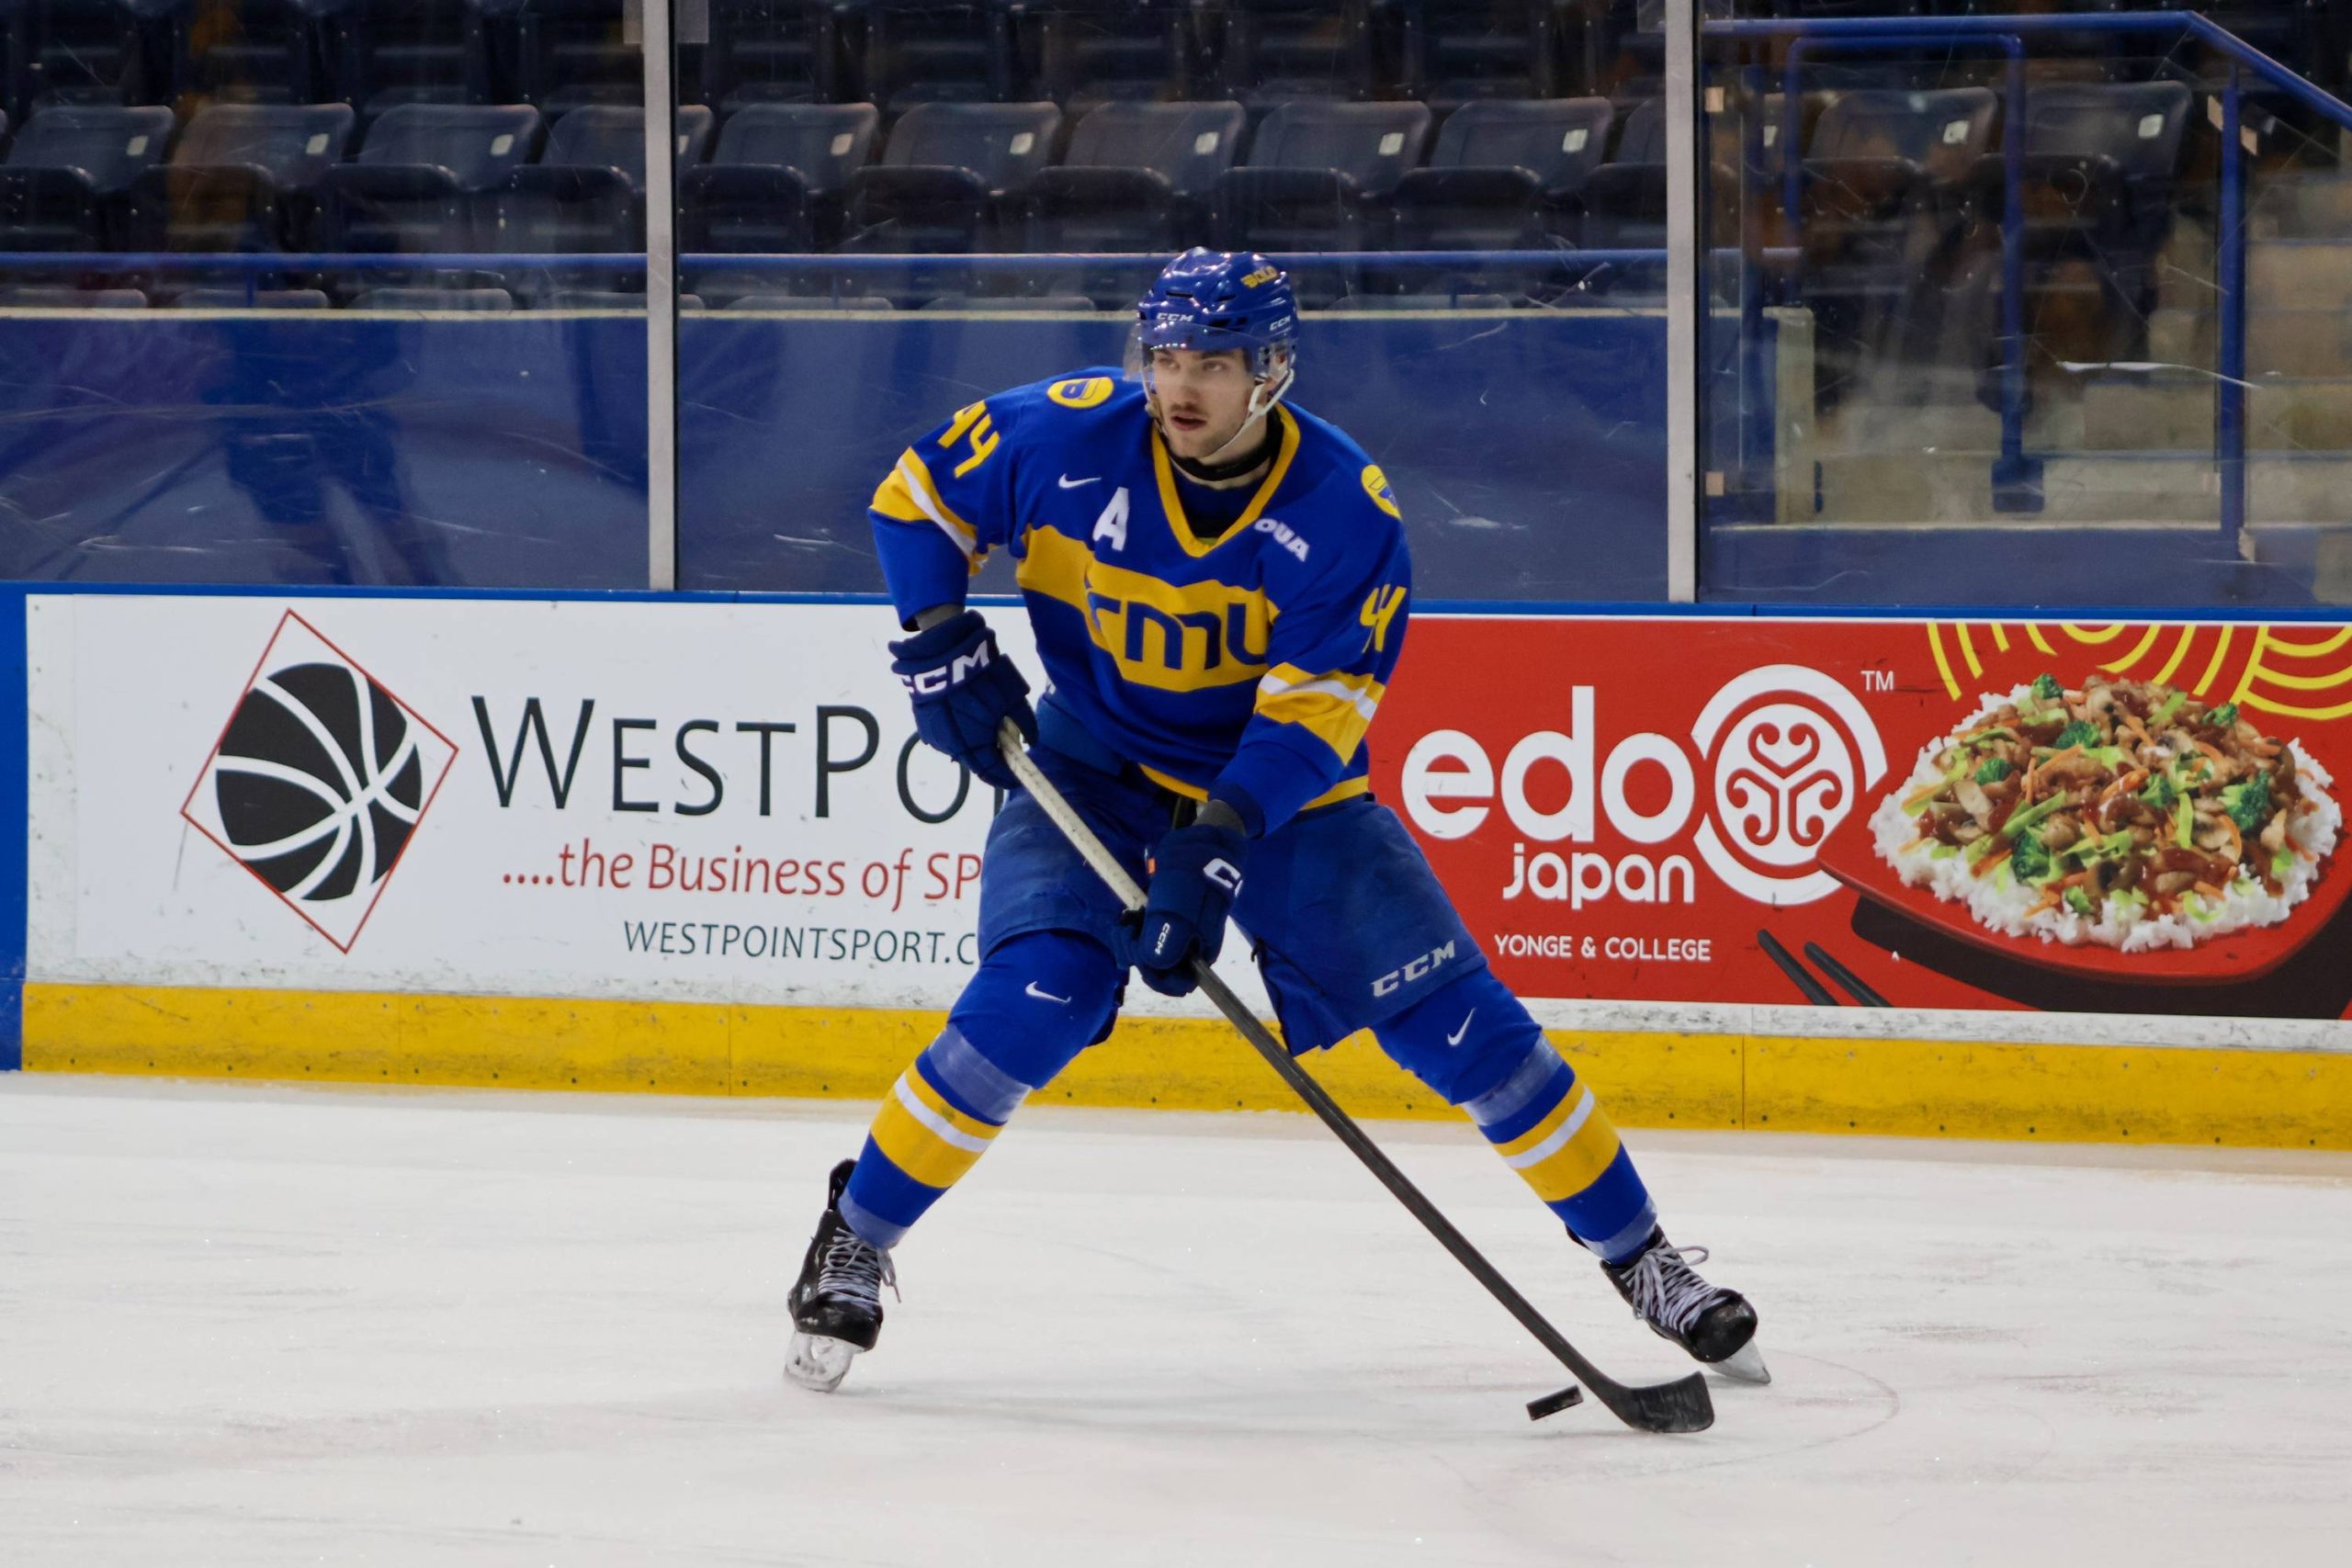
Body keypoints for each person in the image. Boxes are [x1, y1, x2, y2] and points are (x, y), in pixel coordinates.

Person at [785, 249, 1764, 1394]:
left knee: (1463, 1028)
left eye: (1213, 361)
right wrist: (934, 641)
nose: (1180, 385)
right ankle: (856, 1231)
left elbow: (1315, 717)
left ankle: (1642, 1259)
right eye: (1163, 356)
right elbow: (916, 497)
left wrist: (1221, 835)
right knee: (1032, 1003)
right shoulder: (1061, 435)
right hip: (1092, 764)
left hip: (1280, 793)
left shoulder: (1342, 509)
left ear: (1273, 371)